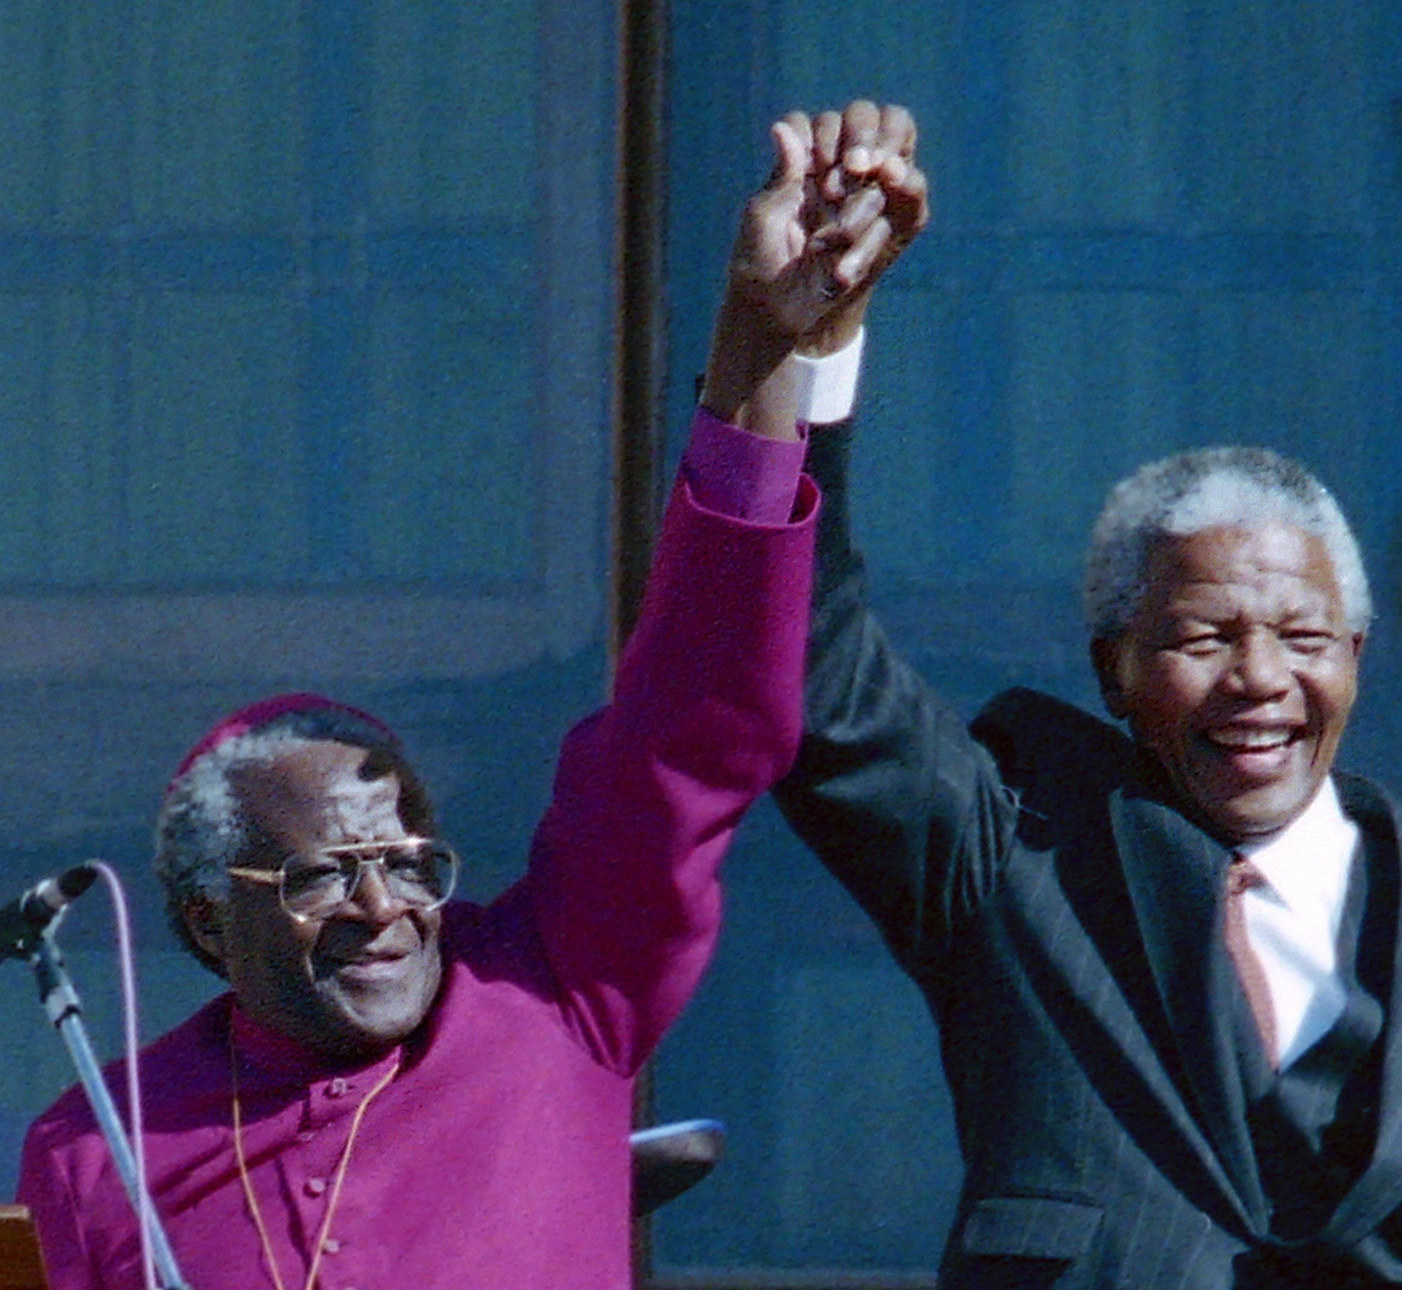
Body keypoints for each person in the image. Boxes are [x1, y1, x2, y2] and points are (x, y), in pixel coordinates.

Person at [14, 106, 910, 1290]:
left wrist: (755, 345)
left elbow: (690, 726)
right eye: (323, 875)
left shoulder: (555, 987)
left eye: (410, 863)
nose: (385, 906)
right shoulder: (95, 1154)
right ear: (202, 927)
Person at [767, 102, 1402, 1286]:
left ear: (1354, 657)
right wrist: (803, 345)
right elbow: (802, 660)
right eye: (1204, 637)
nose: (1259, 680)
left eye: (1302, 636)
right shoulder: (1013, 864)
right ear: (1114, 668)